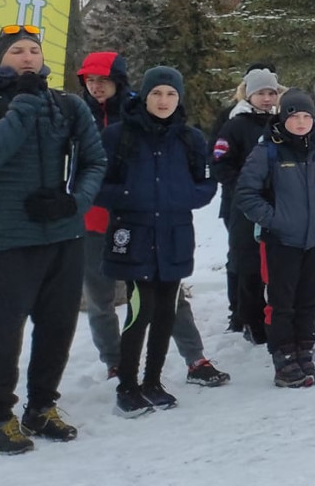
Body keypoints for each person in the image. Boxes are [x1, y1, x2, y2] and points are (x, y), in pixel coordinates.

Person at [0, 26, 107, 454]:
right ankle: (0, 417)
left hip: (63, 235)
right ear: (0, 59)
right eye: (17, 51)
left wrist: (73, 203)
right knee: (3, 332)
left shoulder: (68, 104)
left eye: (34, 50)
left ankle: (41, 406)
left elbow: (95, 160)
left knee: (58, 328)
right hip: (8, 239)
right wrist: (24, 100)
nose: (27, 57)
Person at [78, 52, 228, 388]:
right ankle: (116, 363)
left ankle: (194, 357)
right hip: (94, 222)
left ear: (120, 81)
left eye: (103, 79)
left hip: (153, 225)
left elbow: (201, 179)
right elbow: (86, 175)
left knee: (166, 297)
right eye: (90, 80)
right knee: (102, 300)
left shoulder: (145, 115)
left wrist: (169, 198)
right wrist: (126, 196)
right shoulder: (77, 116)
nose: (97, 86)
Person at [236, 91, 315, 386]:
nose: (300, 122)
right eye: (294, 116)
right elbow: (246, 193)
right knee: (282, 303)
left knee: (309, 301)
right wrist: (275, 219)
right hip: (281, 242)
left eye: (306, 116)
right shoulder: (268, 151)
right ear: (283, 117)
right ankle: (284, 360)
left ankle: (304, 356)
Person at [212, 66, 281, 342]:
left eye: (271, 93)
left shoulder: (281, 122)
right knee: (248, 264)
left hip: (277, 206)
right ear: (249, 95)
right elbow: (219, 163)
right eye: (261, 93)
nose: (266, 98)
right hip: (244, 207)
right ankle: (249, 319)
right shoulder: (235, 125)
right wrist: (245, 188)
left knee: (274, 265)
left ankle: (272, 315)